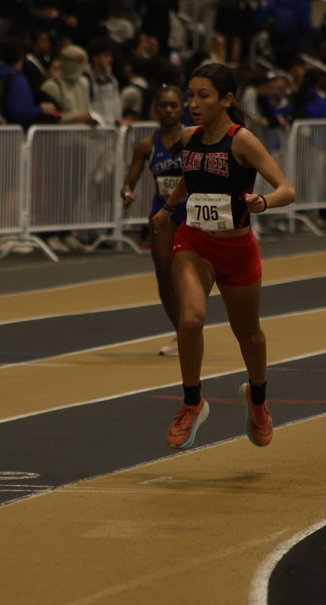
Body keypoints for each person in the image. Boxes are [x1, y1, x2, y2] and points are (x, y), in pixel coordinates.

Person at [151, 62, 296, 450]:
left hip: (237, 249)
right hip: (194, 242)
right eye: (191, 96)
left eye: (203, 96)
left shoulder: (242, 141)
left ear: (226, 99)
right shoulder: (189, 136)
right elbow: (191, 176)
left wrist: (263, 201)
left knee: (248, 333)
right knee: (190, 318)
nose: (193, 104)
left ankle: (258, 401)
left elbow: (287, 189)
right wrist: (168, 208)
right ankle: (192, 403)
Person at [121, 85, 187, 357]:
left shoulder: (193, 138)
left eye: (173, 105)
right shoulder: (147, 145)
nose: (168, 110)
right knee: (163, 269)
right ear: (155, 109)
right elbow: (129, 180)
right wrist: (127, 192)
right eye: (163, 106)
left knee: (193, 270)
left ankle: (192, 320)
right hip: (162, 213)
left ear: (182, 108)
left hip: (193, 211)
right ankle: (182, 332)